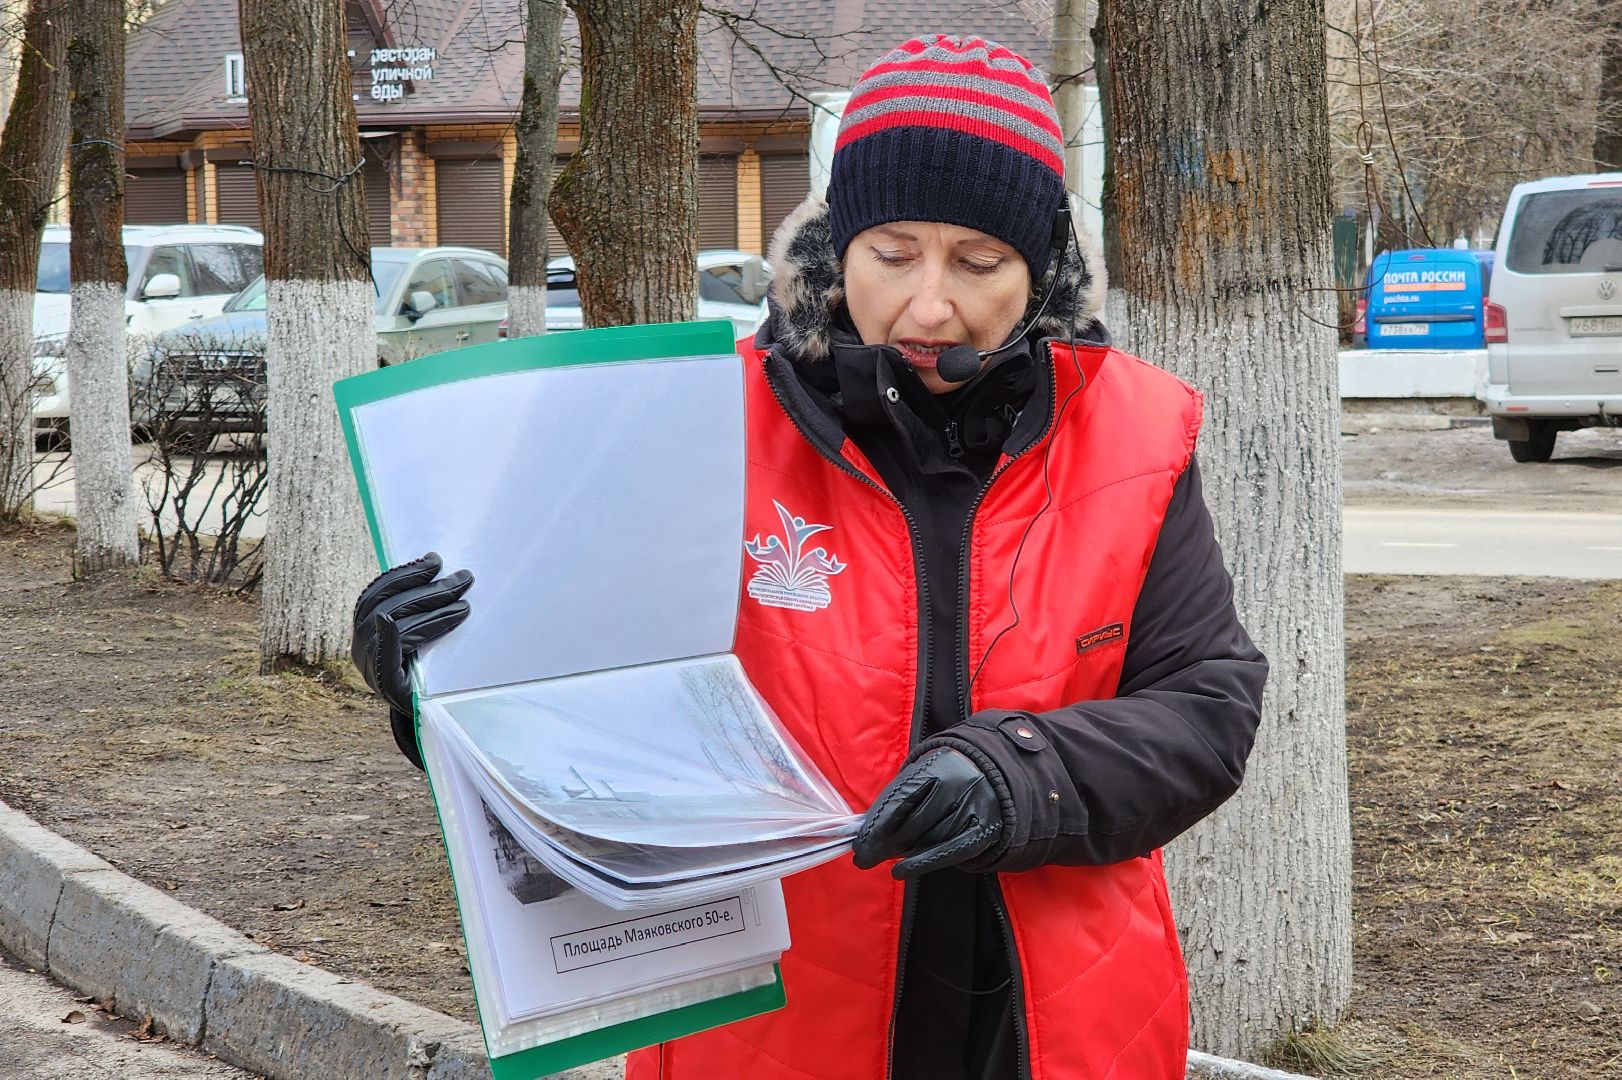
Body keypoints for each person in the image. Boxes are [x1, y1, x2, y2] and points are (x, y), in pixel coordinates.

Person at [351, 34, 1268, 1080]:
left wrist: (1022, 775)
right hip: (774, 1033)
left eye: (978, 263)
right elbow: (590, 710)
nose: (929, 305)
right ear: (837, 250)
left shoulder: (1133, 438)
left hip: (1055, 1031)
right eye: (891, 254)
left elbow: (1204, 706)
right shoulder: (706, 426)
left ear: (1043, 266)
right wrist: (445, 689)